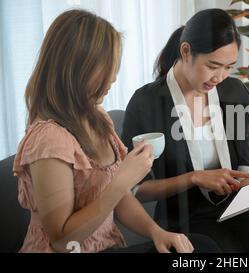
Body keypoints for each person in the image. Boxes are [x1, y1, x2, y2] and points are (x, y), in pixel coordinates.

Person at [13, 9, 218, 253]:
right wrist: (122, 180)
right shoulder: (48, 140)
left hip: (107, 247)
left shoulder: (97, 118)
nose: (112, 78)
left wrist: (157, 232)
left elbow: (121, 199)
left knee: (199, 246)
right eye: (107, 66)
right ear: (77, 69)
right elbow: (62, 241)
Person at [121, 8, 249, 253]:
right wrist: (194, 178)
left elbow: (244, 159)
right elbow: (136, 189)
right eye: (213, 66)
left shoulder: (234, 92)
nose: (220, 76)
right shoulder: (146, 104)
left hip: (237, 205)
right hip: (186, 215)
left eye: (228, 66)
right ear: (186, 51)